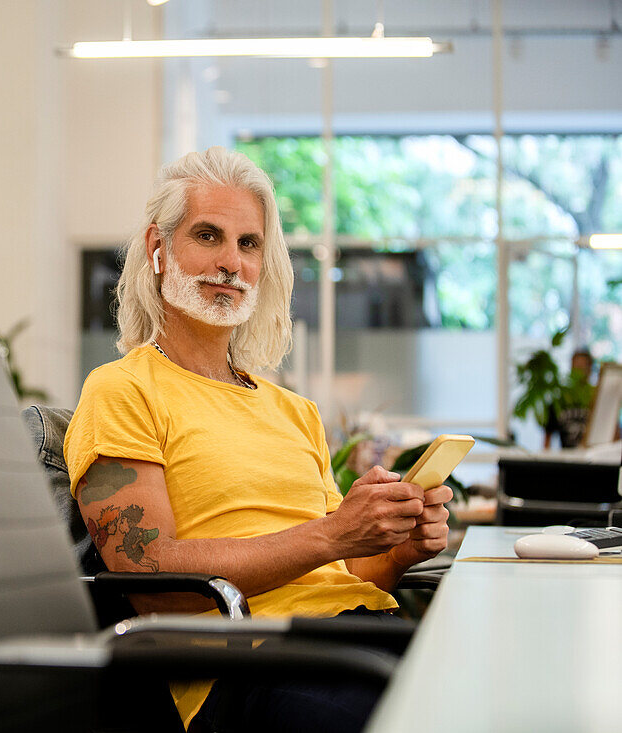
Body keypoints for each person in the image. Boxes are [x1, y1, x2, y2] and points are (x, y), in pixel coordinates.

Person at [63, 147, 452, 732]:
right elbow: (147, 573)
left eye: (249, 244)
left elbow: (335, 578)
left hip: (360, 636)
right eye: (208, 235)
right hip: (247, 663)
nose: (231, 263)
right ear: (157, 249)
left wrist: (397, 552)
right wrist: (332, 533)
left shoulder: (292, 411)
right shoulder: (121, 389)